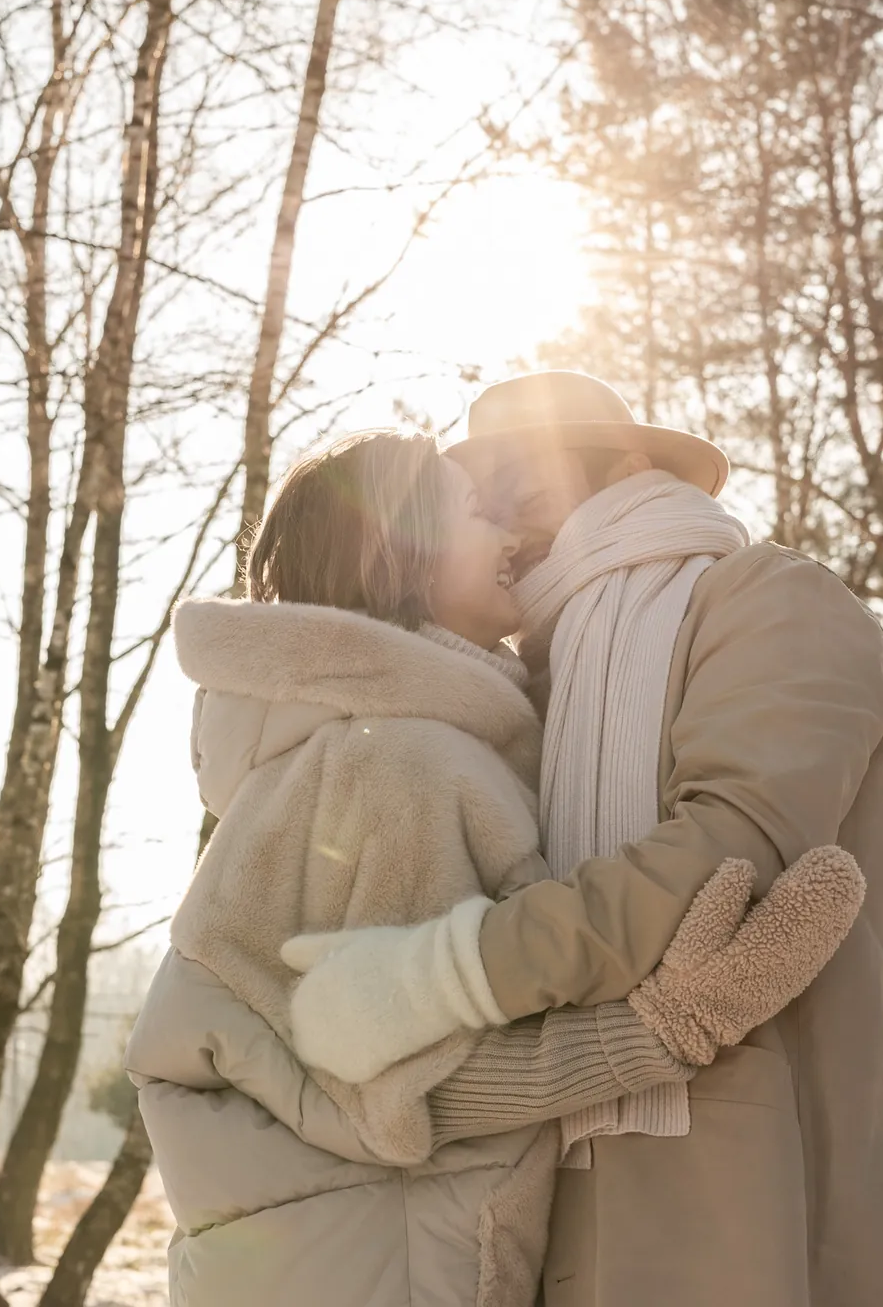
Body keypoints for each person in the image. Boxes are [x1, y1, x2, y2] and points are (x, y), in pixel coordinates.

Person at [125, 428, 863, 1307]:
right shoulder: (399, 758)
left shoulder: (396, 737)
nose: (511, 535)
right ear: (399, 552)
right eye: (479, 510)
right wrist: (664, 1027)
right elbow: (394, 1087)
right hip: (368, 1264)